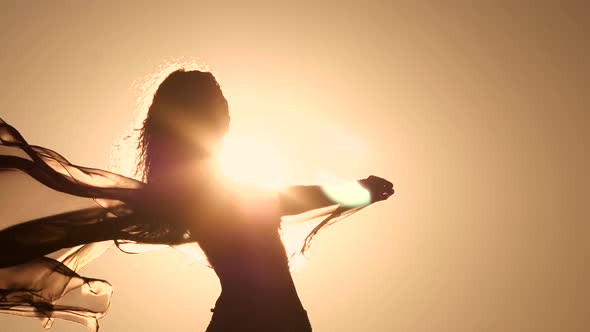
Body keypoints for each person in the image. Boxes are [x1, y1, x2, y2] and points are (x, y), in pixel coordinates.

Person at [0, 69, 394, 331]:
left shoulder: (199, 186)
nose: (226, 109)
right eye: (217, 101)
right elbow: (282, 200)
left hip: (271, 317)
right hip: (259, 318)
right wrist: (356, 190)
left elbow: (278, 200)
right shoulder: (199, 189)